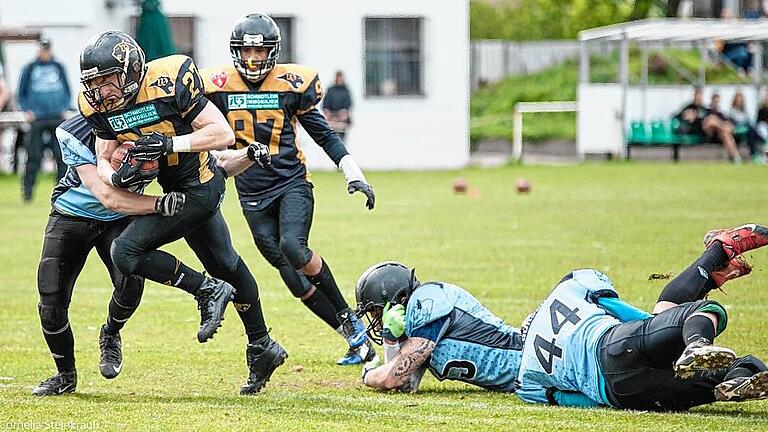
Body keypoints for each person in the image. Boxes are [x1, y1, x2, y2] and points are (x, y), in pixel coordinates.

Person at [358, 224, 768, 410]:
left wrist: (368, 374)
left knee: (661, 324)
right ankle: (732, 366)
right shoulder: (424, 328)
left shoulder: (429, 297)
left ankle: (713, 260)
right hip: (545, 369)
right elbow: (405, 380)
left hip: (541, 354)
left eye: (378, 311)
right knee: (673, 340)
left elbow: (394, 376)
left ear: (396, 300)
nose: (378, 322)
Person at [77, 30, 285, 394]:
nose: (102, 91)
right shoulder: (98, 107)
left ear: (130, 69)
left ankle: (205, 292)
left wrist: (171, 143)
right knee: (226, 264)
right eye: (94, 83)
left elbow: (222, 133)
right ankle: (262, 344)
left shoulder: (168, 80)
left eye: (107, 80)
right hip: (178, 190)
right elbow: (104, 157)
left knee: (125, 252)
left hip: (202, 185)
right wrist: (118, 177)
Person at [201, 13, 376, 366]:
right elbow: (199, 129)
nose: (252, 60)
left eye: (259, 52)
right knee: (294, 280)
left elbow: (324, 134)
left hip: (290, 182)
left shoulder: (290, 85)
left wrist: (351, 171)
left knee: (293, 248)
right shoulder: (217, 86)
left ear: (273, 52)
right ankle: (356, 342)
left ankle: (349, 318)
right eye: (246, 52)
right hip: (250, 193)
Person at [31, 114, 186, 395]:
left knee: (131, 281)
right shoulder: (77, 131)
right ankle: (65, 375)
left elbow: (207, 153)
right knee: (51, 298)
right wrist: (159, 203)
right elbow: (107, 196)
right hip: (72, 215)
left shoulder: (156, 122)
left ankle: (111, 333)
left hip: (120, 218)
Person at [17, 39, 70, 201]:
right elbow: (21, 92)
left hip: (56, 117)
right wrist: (27, 110)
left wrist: (64, 106)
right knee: (33, 156)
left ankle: (62, 192)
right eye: (43, 49)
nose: (45, 53)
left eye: (47, 50)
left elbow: (67, 89)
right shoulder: (30, 68)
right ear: (39, 50)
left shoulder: (58, 67)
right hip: (38, 118)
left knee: (61, 157)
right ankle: (27, 192)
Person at [676, 88, 741, 163]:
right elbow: (676, 116)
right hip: (700, 131)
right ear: (694, 96)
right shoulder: (689, 108)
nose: (699, 98)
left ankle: (737, 158)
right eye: (697, 96)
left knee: (725, 134)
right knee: (712, 119)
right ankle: (730, 128)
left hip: (713, 132)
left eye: (700, 96)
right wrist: (685, 116)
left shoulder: (704, 109)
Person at [728, 91, 766, 164]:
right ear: (735, 101)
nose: (740, 102)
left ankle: (760, 150)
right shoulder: (732, 112)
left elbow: (748, 121)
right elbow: (733, 125)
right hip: (739, 132)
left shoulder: (744, 111)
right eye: (738, 100)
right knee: (751, 131)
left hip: (748, 131)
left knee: (753, 130)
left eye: (741, 100)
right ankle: (754, 154)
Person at [322, 71, 352, 141]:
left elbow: (348, 103)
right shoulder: (331, 90)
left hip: (342, 118)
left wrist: (344, 112)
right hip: (332, 117)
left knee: (341, 139)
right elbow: (326, 102)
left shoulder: (346, 90)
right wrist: (327, 112)